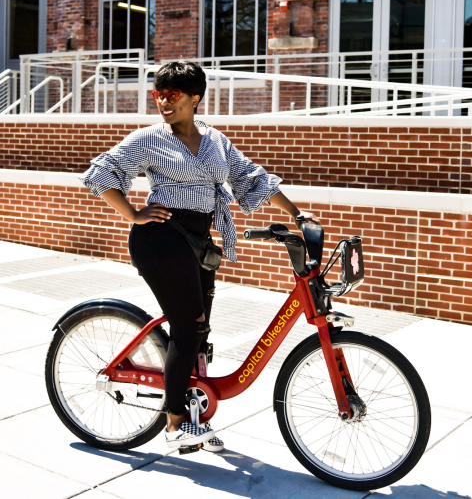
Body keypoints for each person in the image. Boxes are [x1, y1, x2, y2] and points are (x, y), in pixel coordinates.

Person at [79, 61, 320, 451]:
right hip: (160, 239)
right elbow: (101, 172)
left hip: (199, 241)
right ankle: (175, 425)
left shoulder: (215, 140)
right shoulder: (148, 138)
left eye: (172, 95)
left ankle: (192, 410)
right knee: (188, 327)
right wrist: (133, 213)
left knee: (200, 329)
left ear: (195, 98)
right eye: (158, 94)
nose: (163, 102)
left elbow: (250, 178)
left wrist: (296, 213)